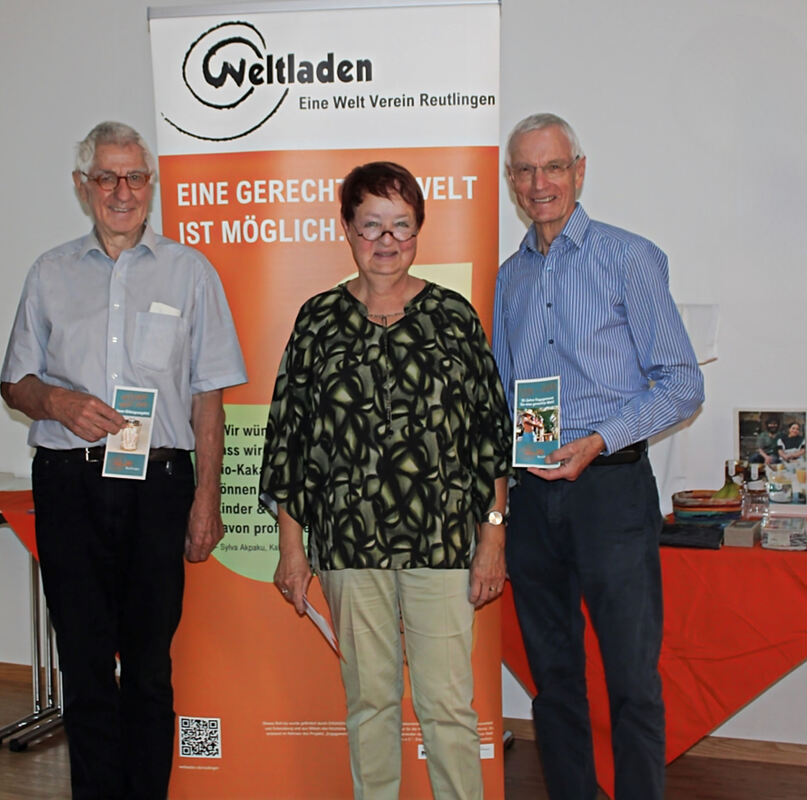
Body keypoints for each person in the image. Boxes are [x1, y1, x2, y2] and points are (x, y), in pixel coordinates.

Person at [0, 120, 246, 799]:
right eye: (106, 177)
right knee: (83, 666)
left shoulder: (190, 272)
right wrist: (56, 402)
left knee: (148, 667)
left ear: (151, 184)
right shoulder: (48, 273)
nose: (121, 191)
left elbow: (208, 398)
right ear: (82, 186)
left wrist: (207, 500)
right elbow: (14, 383)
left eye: (134, 177)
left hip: (158, 487)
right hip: (69, 484)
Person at [261, 161, 512, 800]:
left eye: (401, 225)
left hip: (442, 543)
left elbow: (490, 438)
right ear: (347, 228)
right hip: (348, 545)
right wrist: (292, 548)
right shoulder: (318, 320)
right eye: (371, 225)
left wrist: (493, 537)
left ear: (419, 230)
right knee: (369, 702)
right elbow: (290, 442)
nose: (386, 240)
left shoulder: (453, 317)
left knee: (447, 705)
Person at [493, 114, 704, 800]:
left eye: (553, 167)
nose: (539, 183)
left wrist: (598, 440)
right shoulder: (508, 280)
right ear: (511, 181)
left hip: (610, 491)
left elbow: (682, 384)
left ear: (578, 173)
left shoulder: (629, 258)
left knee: (631, 679)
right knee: (553, 682)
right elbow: (503, 394)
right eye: (525, 170)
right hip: (532, 499)